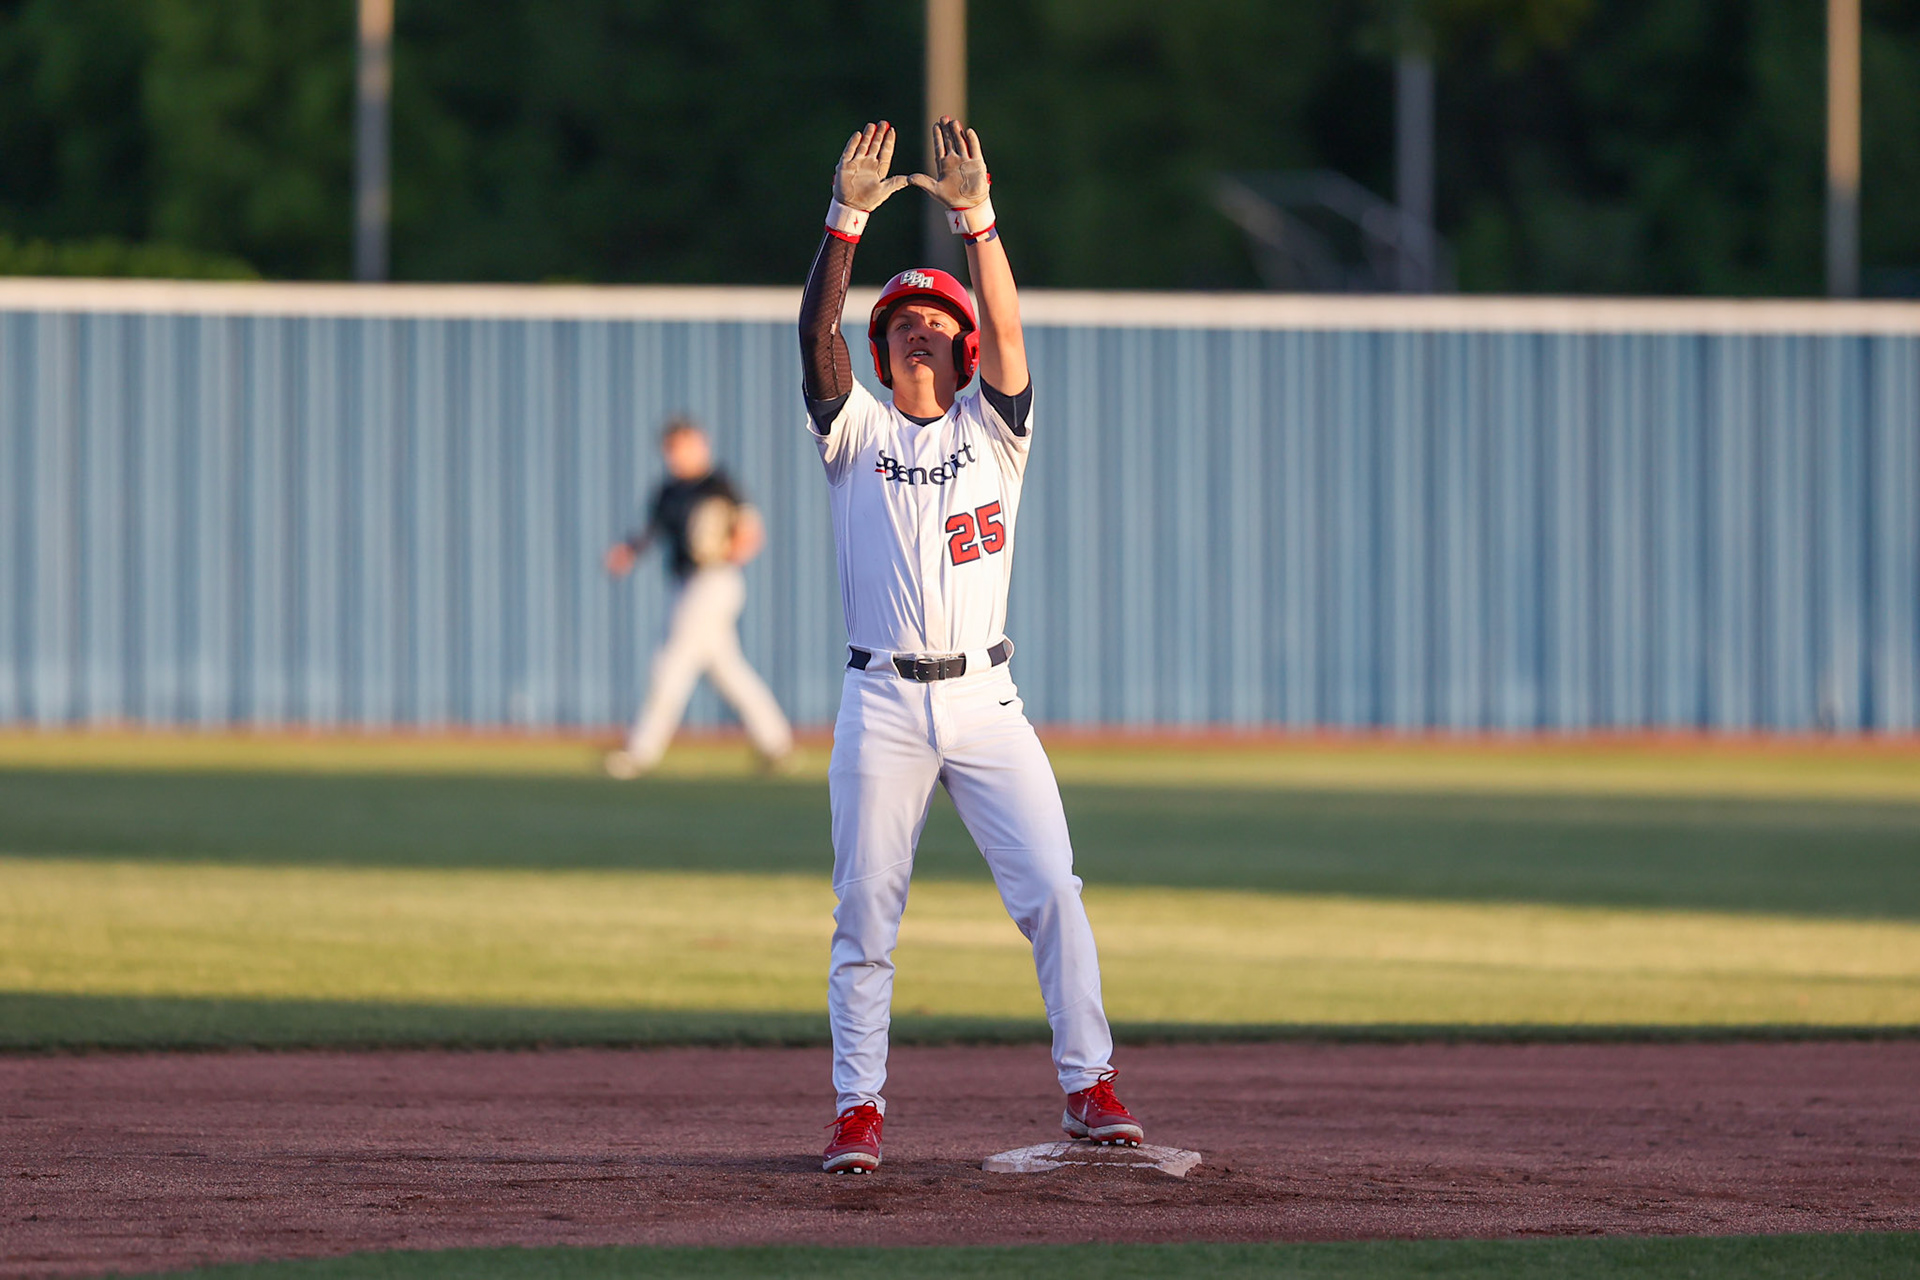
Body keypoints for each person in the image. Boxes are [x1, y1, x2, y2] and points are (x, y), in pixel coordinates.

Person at [798, 119, 1143, 1175]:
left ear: (964, 346)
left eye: (934, 322)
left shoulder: (997, 432)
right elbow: (812, 338)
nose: (917, 331)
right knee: (866, 914)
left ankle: (1090, 1083)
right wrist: (846, 222)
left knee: (1054, 890)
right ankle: (860, 1110)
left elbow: (1007, 318)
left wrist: (977, 220)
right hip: (884, 704)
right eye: (900, 320)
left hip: (988, 701)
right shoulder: (853, 434)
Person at [604, 418, 793, 777]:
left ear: (701, 445)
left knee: (670, 662)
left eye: (685, 446)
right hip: (685, 584)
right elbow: (651, 532)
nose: (678, 455)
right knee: (729, 673)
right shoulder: (668, 491)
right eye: (672, 448)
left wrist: (731, 553)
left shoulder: (719, 485)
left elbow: (751, 531)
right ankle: (777, 744)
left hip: (714, 582)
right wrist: (628, 552)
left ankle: (640, 751)